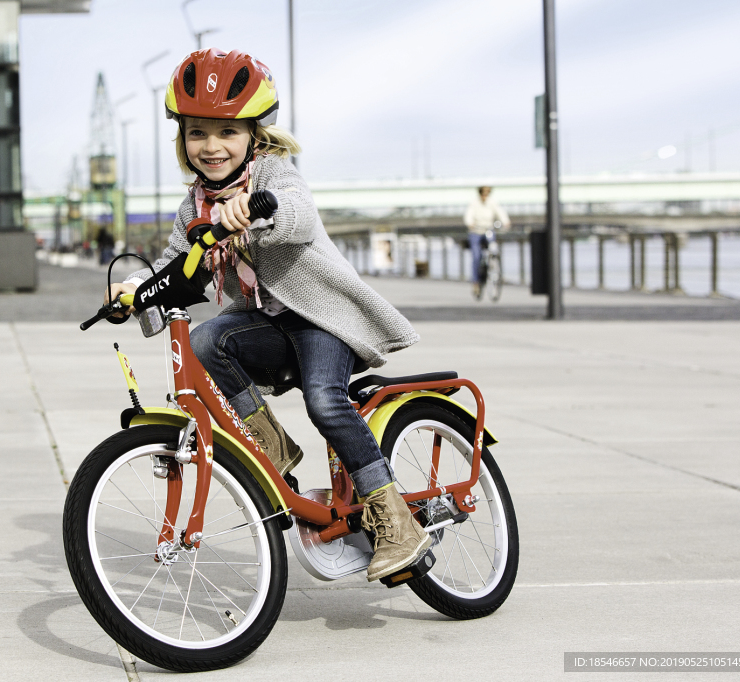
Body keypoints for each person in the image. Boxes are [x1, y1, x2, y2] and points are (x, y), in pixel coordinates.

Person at [107, 48, 430, 582]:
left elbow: (298, 213)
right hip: (268, 323)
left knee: (326, 401)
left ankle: (396, 519)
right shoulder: (194, 205)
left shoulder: (274, 173)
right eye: (197, 133)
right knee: (207, 341)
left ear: (254, 135)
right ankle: (273, 449)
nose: (211, 147)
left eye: (227, 132)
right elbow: (173, 264)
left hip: (320, 319)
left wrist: (259, 210)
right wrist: (136, 290)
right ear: (181, 138)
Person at [463, 186, 510, 293]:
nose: (485, 196)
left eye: (487, 194)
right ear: (480, 194)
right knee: (476, 256)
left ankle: (495, 269)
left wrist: (506, 221)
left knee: (493, 248)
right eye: (483, 194)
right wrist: (470, 223)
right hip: (476, 231)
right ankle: (475, 282)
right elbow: (468, 216)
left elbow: (500, 212)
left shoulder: (492, 202)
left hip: (488, 230)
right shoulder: (474, 203)